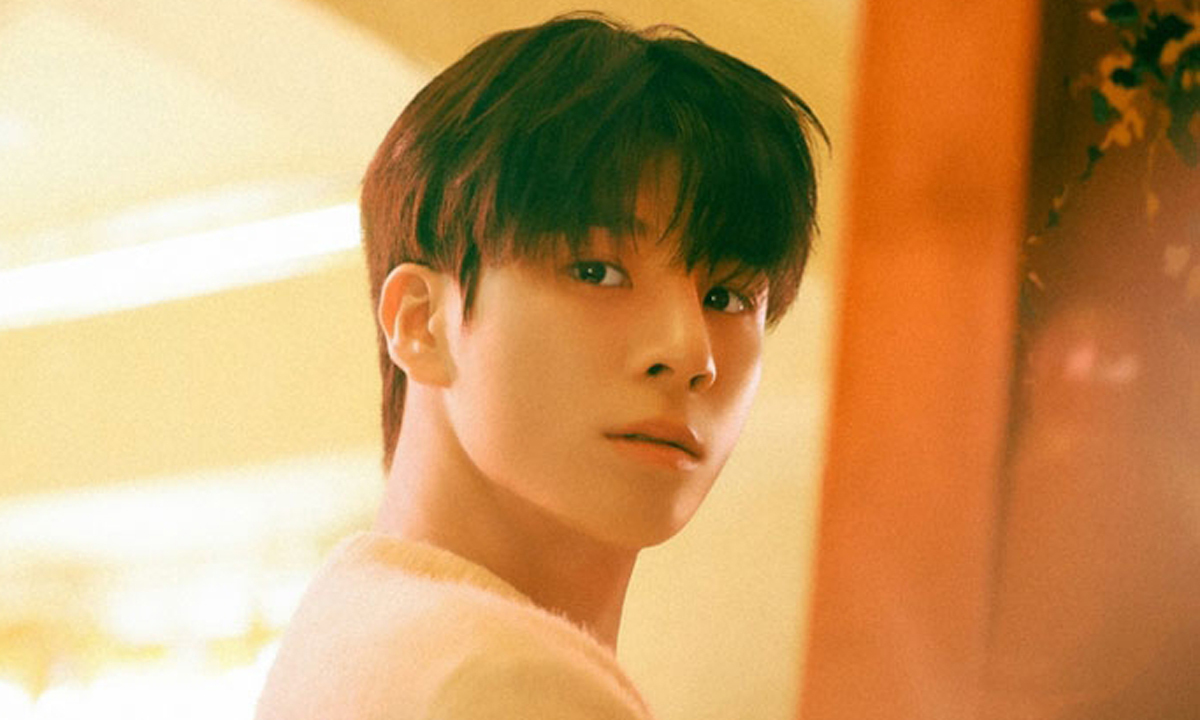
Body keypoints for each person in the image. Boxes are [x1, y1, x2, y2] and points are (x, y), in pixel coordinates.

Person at [256, 11, 824, 719]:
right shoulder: (504, 681)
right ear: (420, 322)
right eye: (596, 271)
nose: (690, 354)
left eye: (727, 297)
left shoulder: (344, 636)